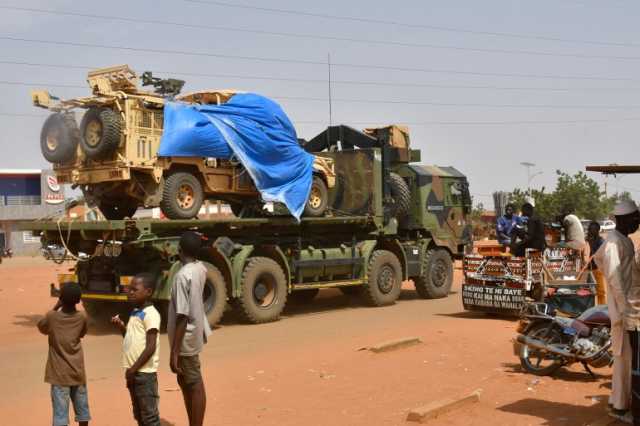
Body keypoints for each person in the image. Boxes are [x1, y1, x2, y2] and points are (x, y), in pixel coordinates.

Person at [594, 200, 640, 423]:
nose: (637, 222)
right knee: (623, 359)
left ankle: (620, 402)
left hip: (628, 308)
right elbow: (613, 276)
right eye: (634, 218)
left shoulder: (624, 240)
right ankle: (620, 407)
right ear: (622, 219)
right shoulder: (614, 242)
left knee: (627, 359)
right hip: (622, 311)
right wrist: (623, 307)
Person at [168, 231, 211, 426]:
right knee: (187, 382)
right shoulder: (199, 268)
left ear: (179, 250)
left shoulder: (181, 276)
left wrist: (175, 351)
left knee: (193, 384)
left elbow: (182, 315)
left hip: (185, 339)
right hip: (193, 334)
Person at [37, 282, 91, 426]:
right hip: (77, 372)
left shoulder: (52, 317)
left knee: (60, 415)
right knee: (82, 412)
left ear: (60, 299)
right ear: (79, 300)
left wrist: (56, 307)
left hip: (59, 375)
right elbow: (82, 334)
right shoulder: (82, 317)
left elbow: (41, 326)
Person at [112, 273, 161, 426]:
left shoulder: (151, 314)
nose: (130, 291)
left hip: (144, 374)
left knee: (149, 417)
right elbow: (131, 338)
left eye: (135, 289)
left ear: (148, 292)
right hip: (134, 373)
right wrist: (121, 327)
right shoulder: (135, 312)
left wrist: (133, 369)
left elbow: (151, 346)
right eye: (129, 288)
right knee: (139, 414)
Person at [587, 221, 607, 304]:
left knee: (601, 292)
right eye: (590, 229)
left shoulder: (601, 241)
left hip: (598, 269)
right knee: (589, 292)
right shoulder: (589, 240)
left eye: (593, 230)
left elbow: (602, 255)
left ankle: (601, 309)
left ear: (597, 230)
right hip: (590, 269)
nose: (590, 231)